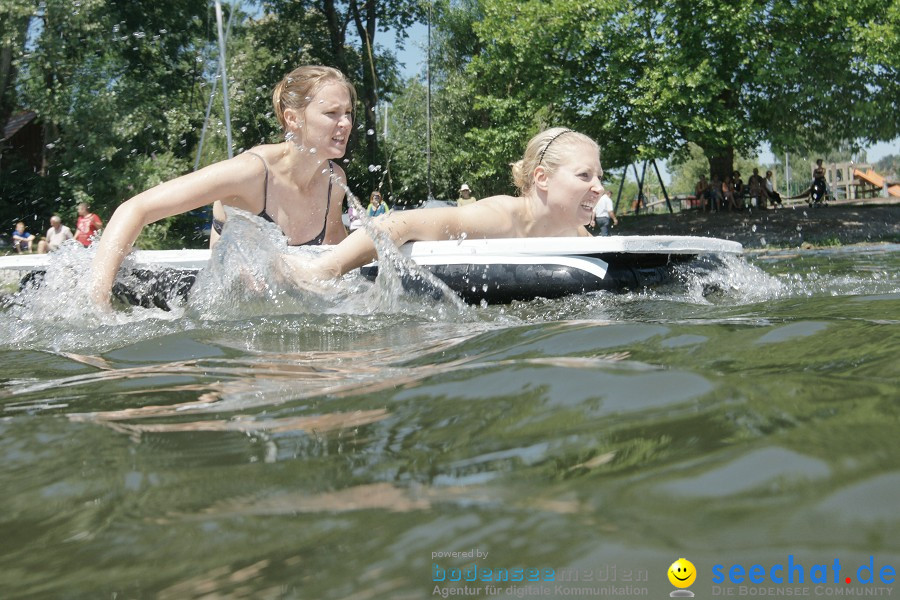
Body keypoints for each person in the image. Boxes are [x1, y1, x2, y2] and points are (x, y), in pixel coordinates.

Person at [91, 64, 355, 306]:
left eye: (348, 113)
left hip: (275, 314)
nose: (345, 123)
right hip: (201, 309)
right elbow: (135, 209)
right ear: (293, 119)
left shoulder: (334, 180)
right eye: (332, 113)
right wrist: (98, 300)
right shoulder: (251, 172)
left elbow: (336, 257)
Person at [293, 127, 604, 281]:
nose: (599, 188)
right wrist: (324, 270)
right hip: (428, 233)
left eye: (599, 177)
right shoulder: (501, 218)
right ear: (542, 178)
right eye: (584, 175)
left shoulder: (574, 235)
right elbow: (397, 224)